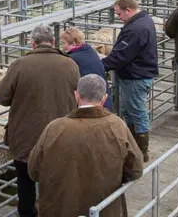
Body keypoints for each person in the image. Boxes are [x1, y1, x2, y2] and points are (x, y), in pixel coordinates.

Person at [28, 74, 144, 217]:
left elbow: (33, 170)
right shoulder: (117, 126)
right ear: (104, 98)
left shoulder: (54, 128)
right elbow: (135, 169)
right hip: (103, 209)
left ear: (76, 96)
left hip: (58, 209)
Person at [0, 24, 80, 217]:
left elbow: (2, 98)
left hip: (26, 138)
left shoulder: (19, 65)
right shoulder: (70, 64)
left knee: (25, 184)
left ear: (32, 44)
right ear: (53, 42)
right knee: (56, 183)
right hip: (60, 136)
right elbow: (78, 96)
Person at [102, 0, 158, 163]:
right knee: (130, 111)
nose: (119, 17)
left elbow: (121, 55)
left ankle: (141, 152)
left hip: (135, 76)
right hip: (136, 73)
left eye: (119, 14)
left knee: (137, 112)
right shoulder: (143, 21)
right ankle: (135, 147)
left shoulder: (136, 28)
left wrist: (100, 65)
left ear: (128, 10)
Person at [60, 27, 113, 111]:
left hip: (89, 102)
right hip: (103, 98)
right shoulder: (90, 51)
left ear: (73, 43)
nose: (62, 46)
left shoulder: (72, 59)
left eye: (63, 43)